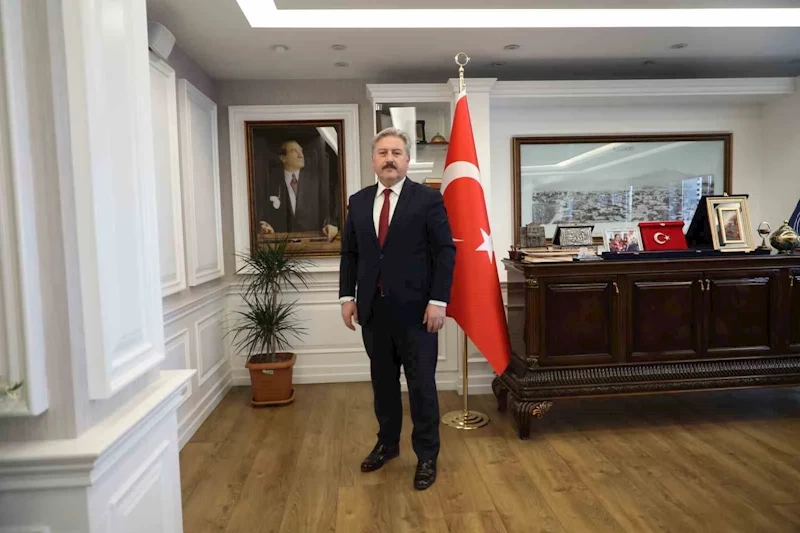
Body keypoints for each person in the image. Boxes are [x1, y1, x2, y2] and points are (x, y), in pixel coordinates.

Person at [338, 127, 456, 490]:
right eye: (383, 152)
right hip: (373, 312)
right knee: (383, 385)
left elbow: (445, 251)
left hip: (418, 314)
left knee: (422, 388)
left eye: (396, 153)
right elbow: (350, 253)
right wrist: (346, 297)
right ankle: (387, 445)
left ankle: (427, 456)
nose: (389, 159)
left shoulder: (427, 199)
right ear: (373, 159)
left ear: (407, 159)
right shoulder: (359, 201)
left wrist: (438, 301)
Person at [258, 139, 339, 241]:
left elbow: (328, 209)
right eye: (294, 151)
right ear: (283, 158)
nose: (301, 155)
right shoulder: (271, 183)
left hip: (312, 242)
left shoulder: (316, 182)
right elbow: (263, 215)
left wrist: (331, 225)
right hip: (281, 243)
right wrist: (265, 227)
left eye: (301, 151)